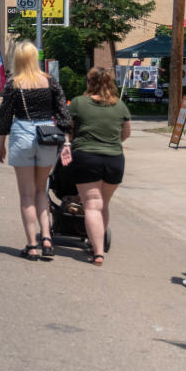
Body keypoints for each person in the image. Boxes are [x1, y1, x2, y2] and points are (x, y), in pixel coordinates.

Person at [0, 42, 71, 261]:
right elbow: (64, 114)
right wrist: (66, 142)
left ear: (18, 60)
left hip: (22, 133)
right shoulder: (50, 82)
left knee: (26, 195)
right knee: (41, 191)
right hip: (47, 134)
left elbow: (5, 116)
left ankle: (31, 245)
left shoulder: (14, 84)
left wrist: (1, 143)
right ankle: (46, 238)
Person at [60, 67, 130, 266]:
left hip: (87, 157)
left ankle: (97, 251)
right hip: (115, 159)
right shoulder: (120, 106)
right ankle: (95, 243)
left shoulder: (79, 103)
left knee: (91, 204)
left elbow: (67, 127)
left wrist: (68, 143)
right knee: (103, 204)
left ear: (89, 82)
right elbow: (126, 134)